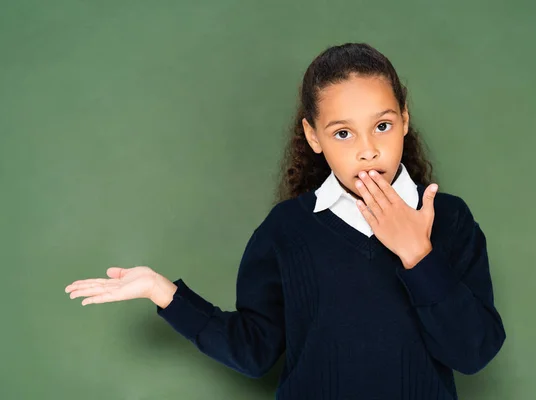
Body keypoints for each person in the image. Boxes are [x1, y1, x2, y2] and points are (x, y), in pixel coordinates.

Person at [65, 42, 506, 399]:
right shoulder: (287, 231)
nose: (368, 149)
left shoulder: (450, 220)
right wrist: (163, 293)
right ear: (314, 137)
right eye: (342, 133)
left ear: (405, 120)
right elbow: (254, 351)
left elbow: (473, 353)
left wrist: (418, 255)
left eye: (383, 126)